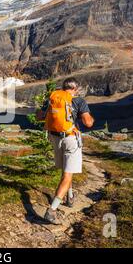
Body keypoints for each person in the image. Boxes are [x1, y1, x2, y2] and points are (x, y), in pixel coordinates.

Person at [38, 78, 95, 225]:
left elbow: (39, 116)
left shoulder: (53, 98)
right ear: (75, 88)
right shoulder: (78, 101)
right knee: (68, 174)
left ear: (63, 87)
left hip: (54, 138)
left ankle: (69, 196)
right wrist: (90, 118)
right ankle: (52, 210)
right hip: (70, 138)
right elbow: (88, 123)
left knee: (65, 169)